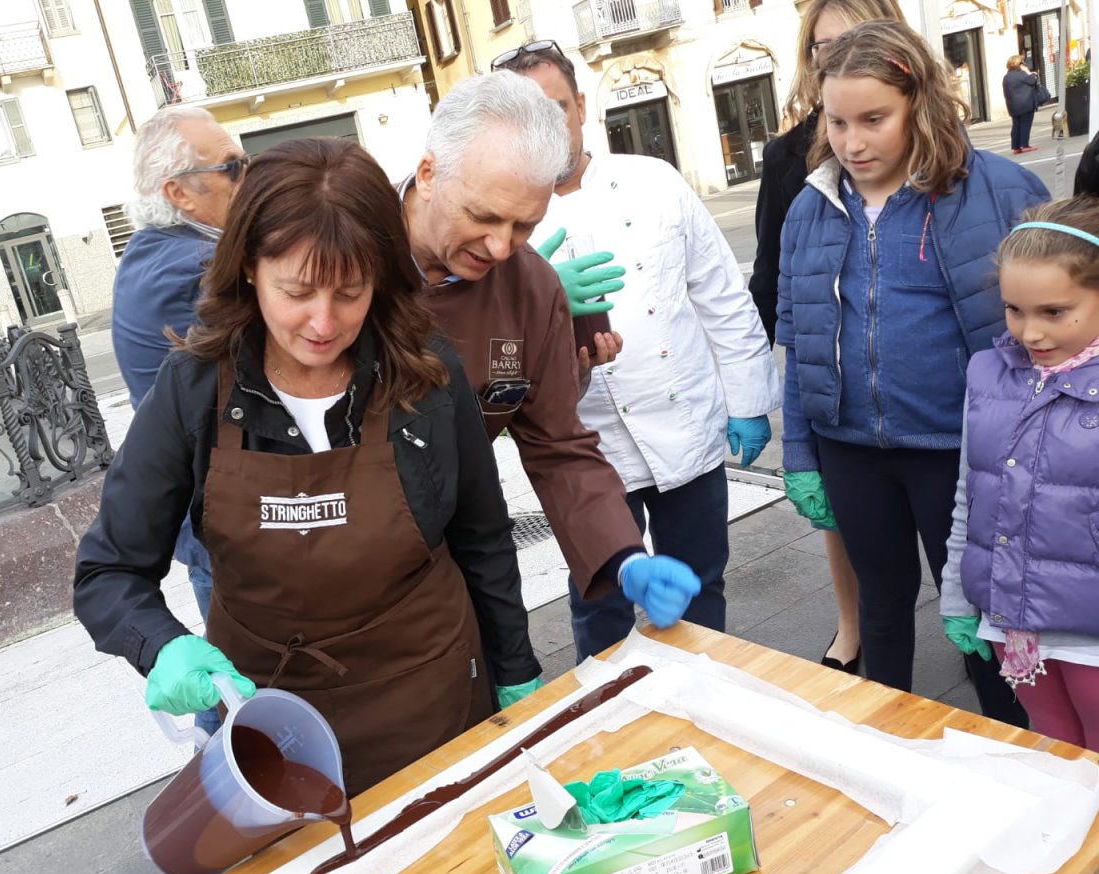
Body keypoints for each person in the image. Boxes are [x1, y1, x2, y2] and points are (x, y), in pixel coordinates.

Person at [75, 138, 541, 797]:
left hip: (434, 703)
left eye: (350, 293)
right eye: (296, 291)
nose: (323, 323)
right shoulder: (195, 391)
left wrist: (515, 668)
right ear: (248, 270)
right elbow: (108, 571)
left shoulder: (428, 373)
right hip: (274, 727)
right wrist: (160, 645)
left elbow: (482, 536)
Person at [777, 21, 1047, 727]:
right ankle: (887, 744)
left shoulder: (993, 189)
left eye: (874, 119)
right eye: (837, 121)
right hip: (852, 452)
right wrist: (801, 453)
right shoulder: (810, 208)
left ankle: (1011, 750)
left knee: (982, 616)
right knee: (881, 606)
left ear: (918, 102)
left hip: (959, 457)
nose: (853, 142)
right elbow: (798, 338)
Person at [498, 43, 780, 660]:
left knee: (700, 589)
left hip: (685, 427)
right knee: (599, 606)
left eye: (557, 108)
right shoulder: (504, 221)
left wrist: (750, 399)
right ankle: (610, 718)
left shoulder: (654, 181)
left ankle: (709, 698)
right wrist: (531, 301)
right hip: (586, 447)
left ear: (580, 106)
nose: (548, 129)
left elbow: (720, 294)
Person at [401, 70, 703, 637]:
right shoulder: (342, 251)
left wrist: (625, 556)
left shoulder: (531, 288)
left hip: (462, 552)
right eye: (485, 217)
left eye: (524, 226)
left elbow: (559, 446)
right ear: (428, 174)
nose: (498, 248)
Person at [940, 197, 1099, 874]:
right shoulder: (990, 374)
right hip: (1019, 620)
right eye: (1012, 310)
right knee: (1051, 748)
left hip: (1093, 627)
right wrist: (956, 595)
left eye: (1055, 312)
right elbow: (971, 493)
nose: (1029, 332)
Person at [750, 0, 905, 677]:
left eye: (851, 40)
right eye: (821, 46)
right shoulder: (789, 156)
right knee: (847, 520)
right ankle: (852, 626)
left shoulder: (934, 143)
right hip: (835, 369)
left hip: (917, 376)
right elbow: (770, 271)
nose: (834, 56)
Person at [110, 106, 246, 729]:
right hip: (230, 523)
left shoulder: (158, 253)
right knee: (244, 697)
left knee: (236, 687)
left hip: (215, 518)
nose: (249, 178)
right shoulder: (192, 268)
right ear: (178, 193)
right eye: (233, 168)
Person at [1002, 54, 1042, 155]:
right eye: (1022, 62)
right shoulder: (1022, 74)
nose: (1024, 64)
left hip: (1013, 106)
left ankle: (1016, 147)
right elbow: (1033, 80)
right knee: (1025, 125)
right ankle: (1025, 145)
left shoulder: (1007, 77)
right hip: (1026, 104)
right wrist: (1028, 72)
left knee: (1016, 125)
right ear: (1018, 64)